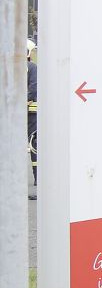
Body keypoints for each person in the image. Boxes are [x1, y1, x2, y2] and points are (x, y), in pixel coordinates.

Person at [27, 39, 37, 199]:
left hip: (31, 112)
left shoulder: (31, 68)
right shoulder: (32, 67)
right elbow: (34, 87)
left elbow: (33, 88)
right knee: (34, 145)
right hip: (30, 112)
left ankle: (38, 177)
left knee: (34, 145)